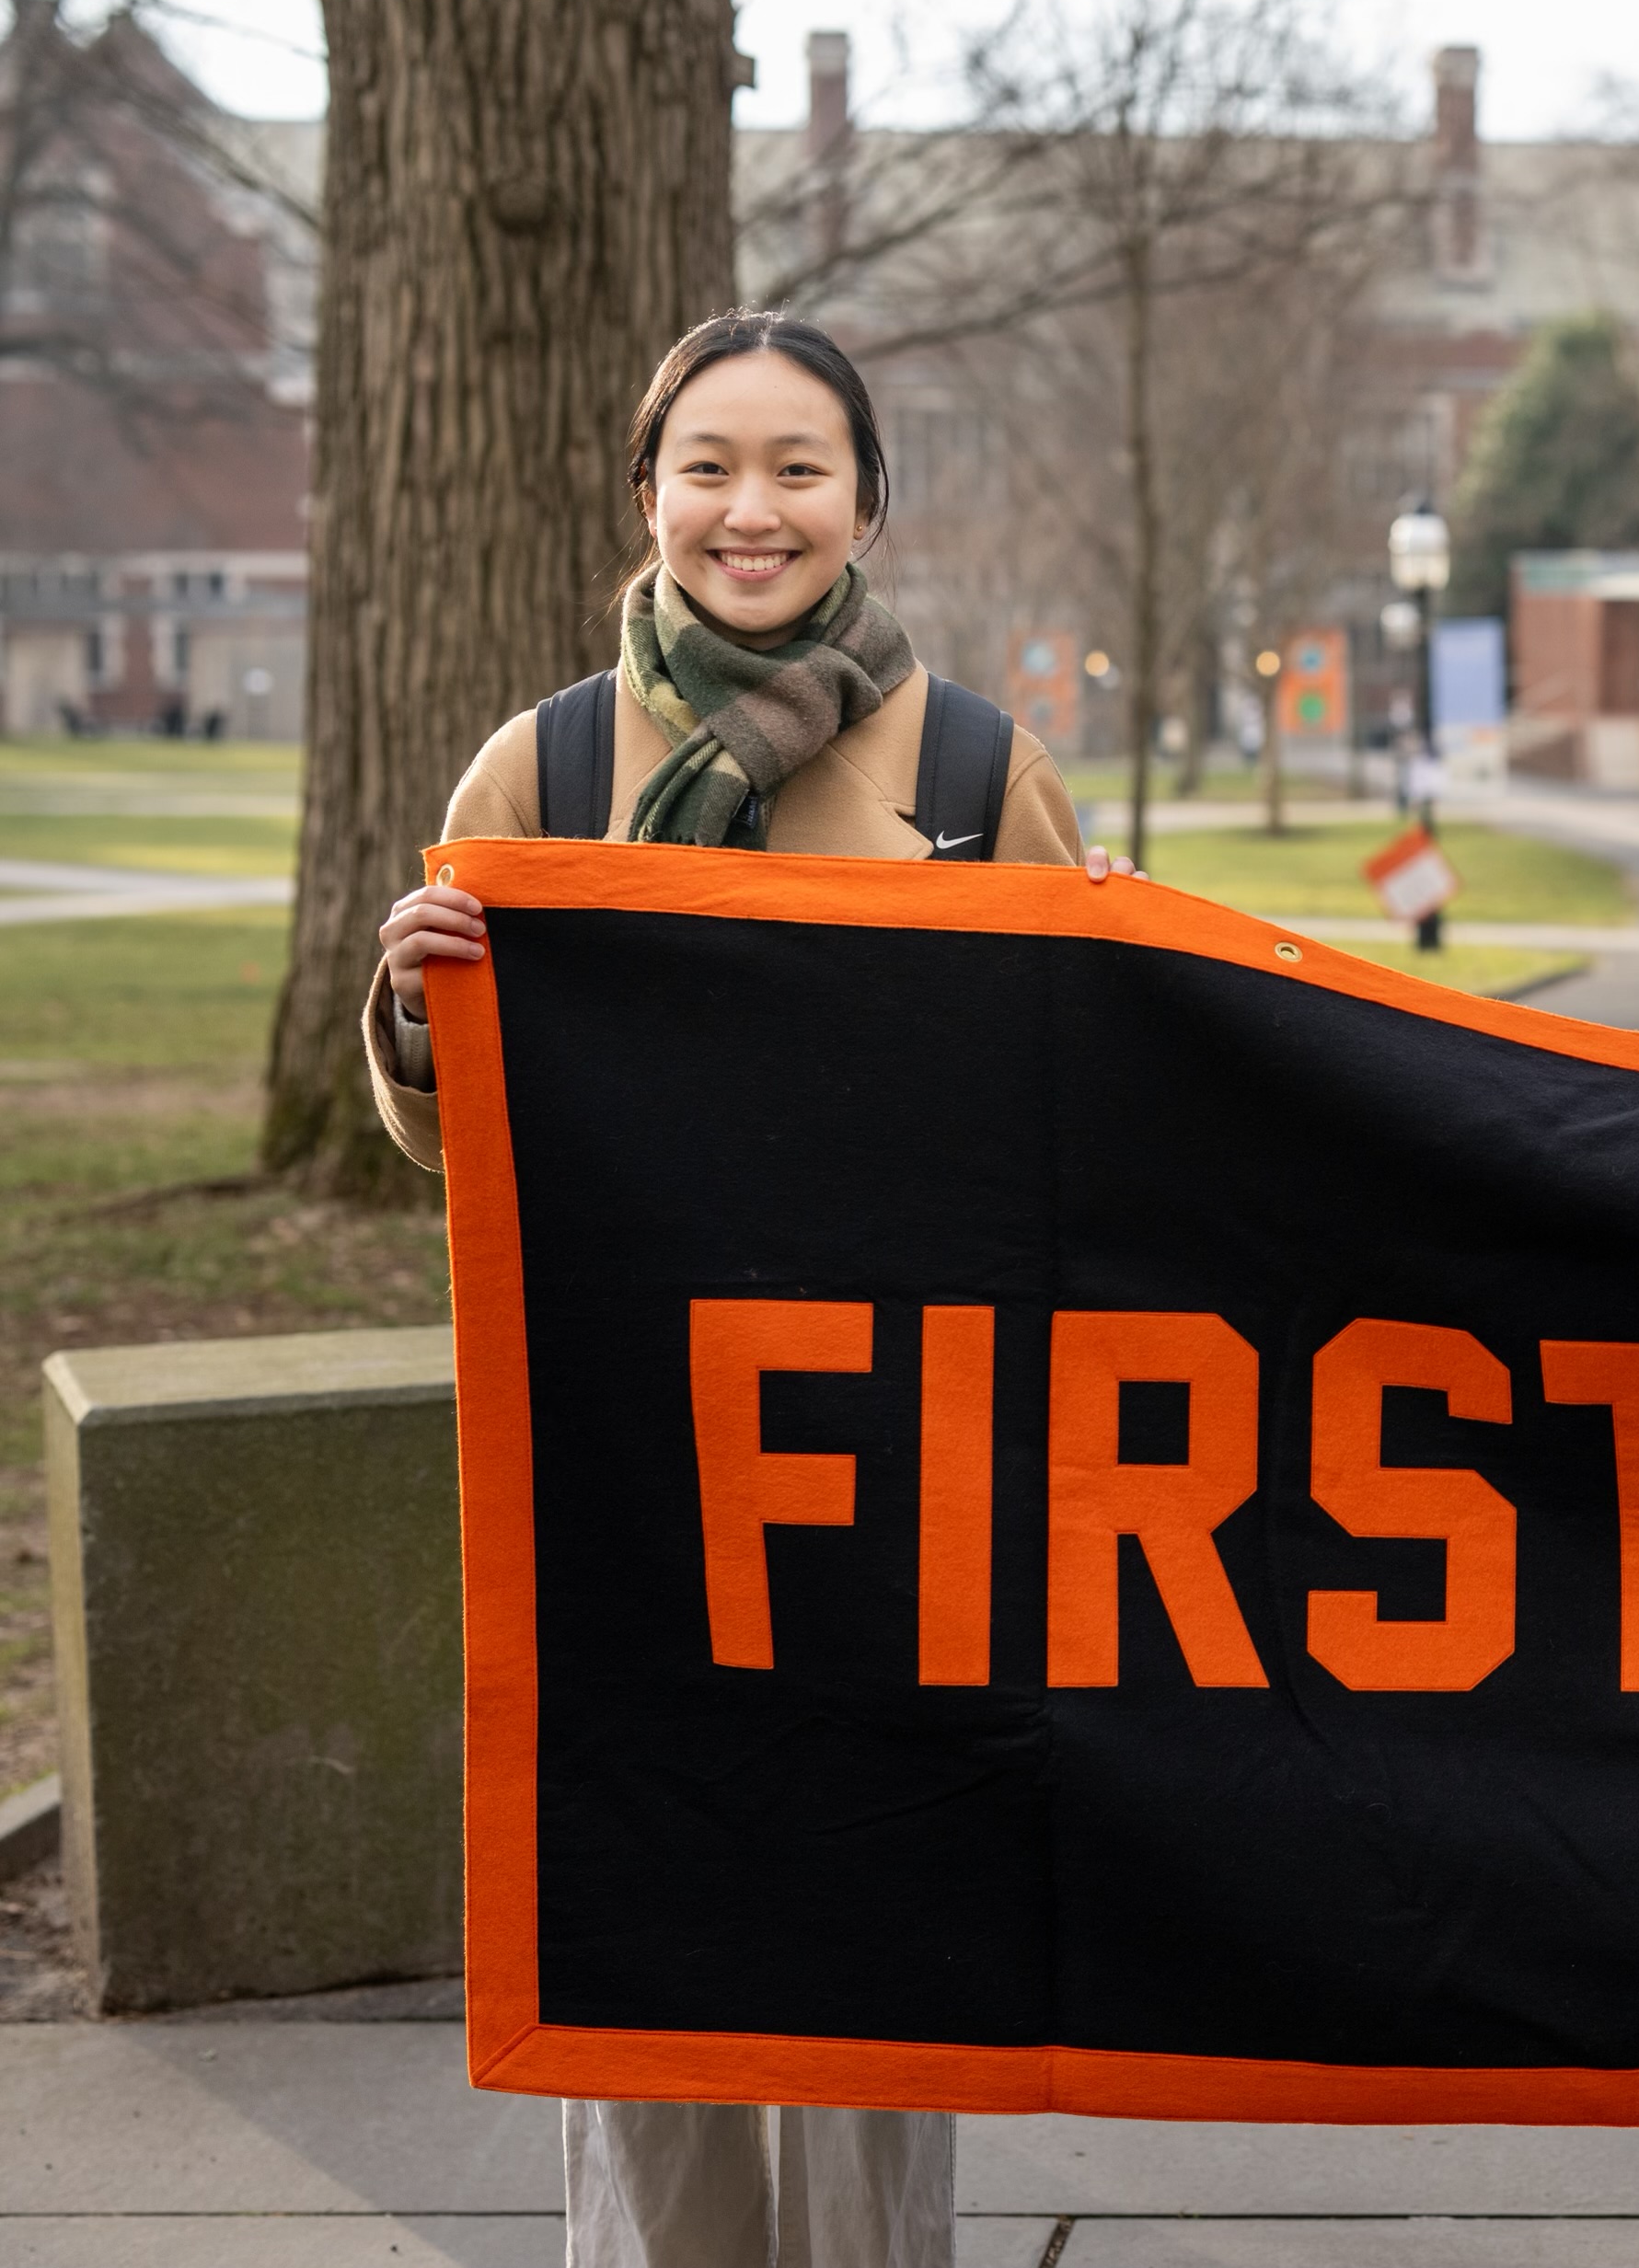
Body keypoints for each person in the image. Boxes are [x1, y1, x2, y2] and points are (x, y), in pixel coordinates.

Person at [368, 308, 1113, 2268]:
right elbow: (458, 1137)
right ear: (648, 495)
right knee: (647, 1918)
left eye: (797, 465)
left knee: (888, 1938)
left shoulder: (970, 766)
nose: (750, 507)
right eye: (707, 465)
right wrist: (426, 1003)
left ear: (867, 495)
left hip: (903, 1466)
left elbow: (1089, 1102)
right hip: (629, 1460)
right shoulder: (541, 768)